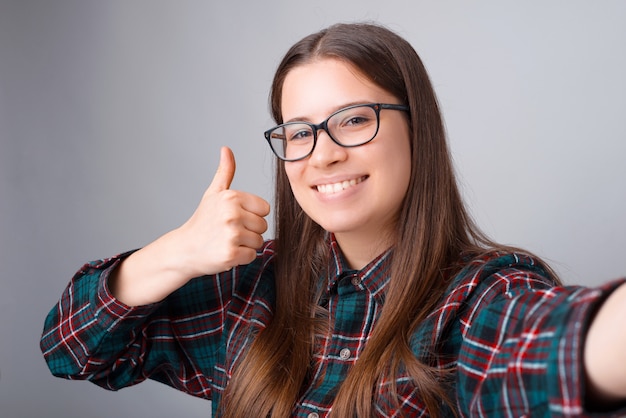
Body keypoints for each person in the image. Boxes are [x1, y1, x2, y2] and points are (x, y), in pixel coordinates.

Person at [41, 22, 626, 417]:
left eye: (352, 120)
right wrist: (174, 255)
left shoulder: (478, 297)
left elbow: (563, 346)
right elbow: (71, 349)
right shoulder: (248, 288)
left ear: (417, 131)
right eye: (299, 132)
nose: (323, 154)